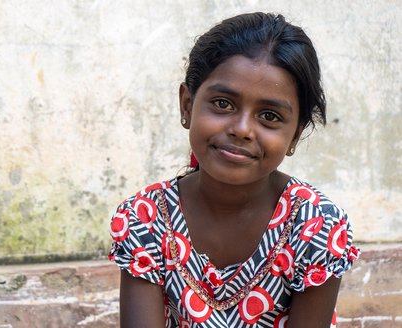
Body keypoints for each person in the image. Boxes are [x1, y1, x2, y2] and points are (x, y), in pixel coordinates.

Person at [108, 12, 359, 328]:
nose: (242, 129)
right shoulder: (145, 219)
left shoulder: (316, 225)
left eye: (269, 116)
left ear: (295, 135)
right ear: (187, 105)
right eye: (223, 104)